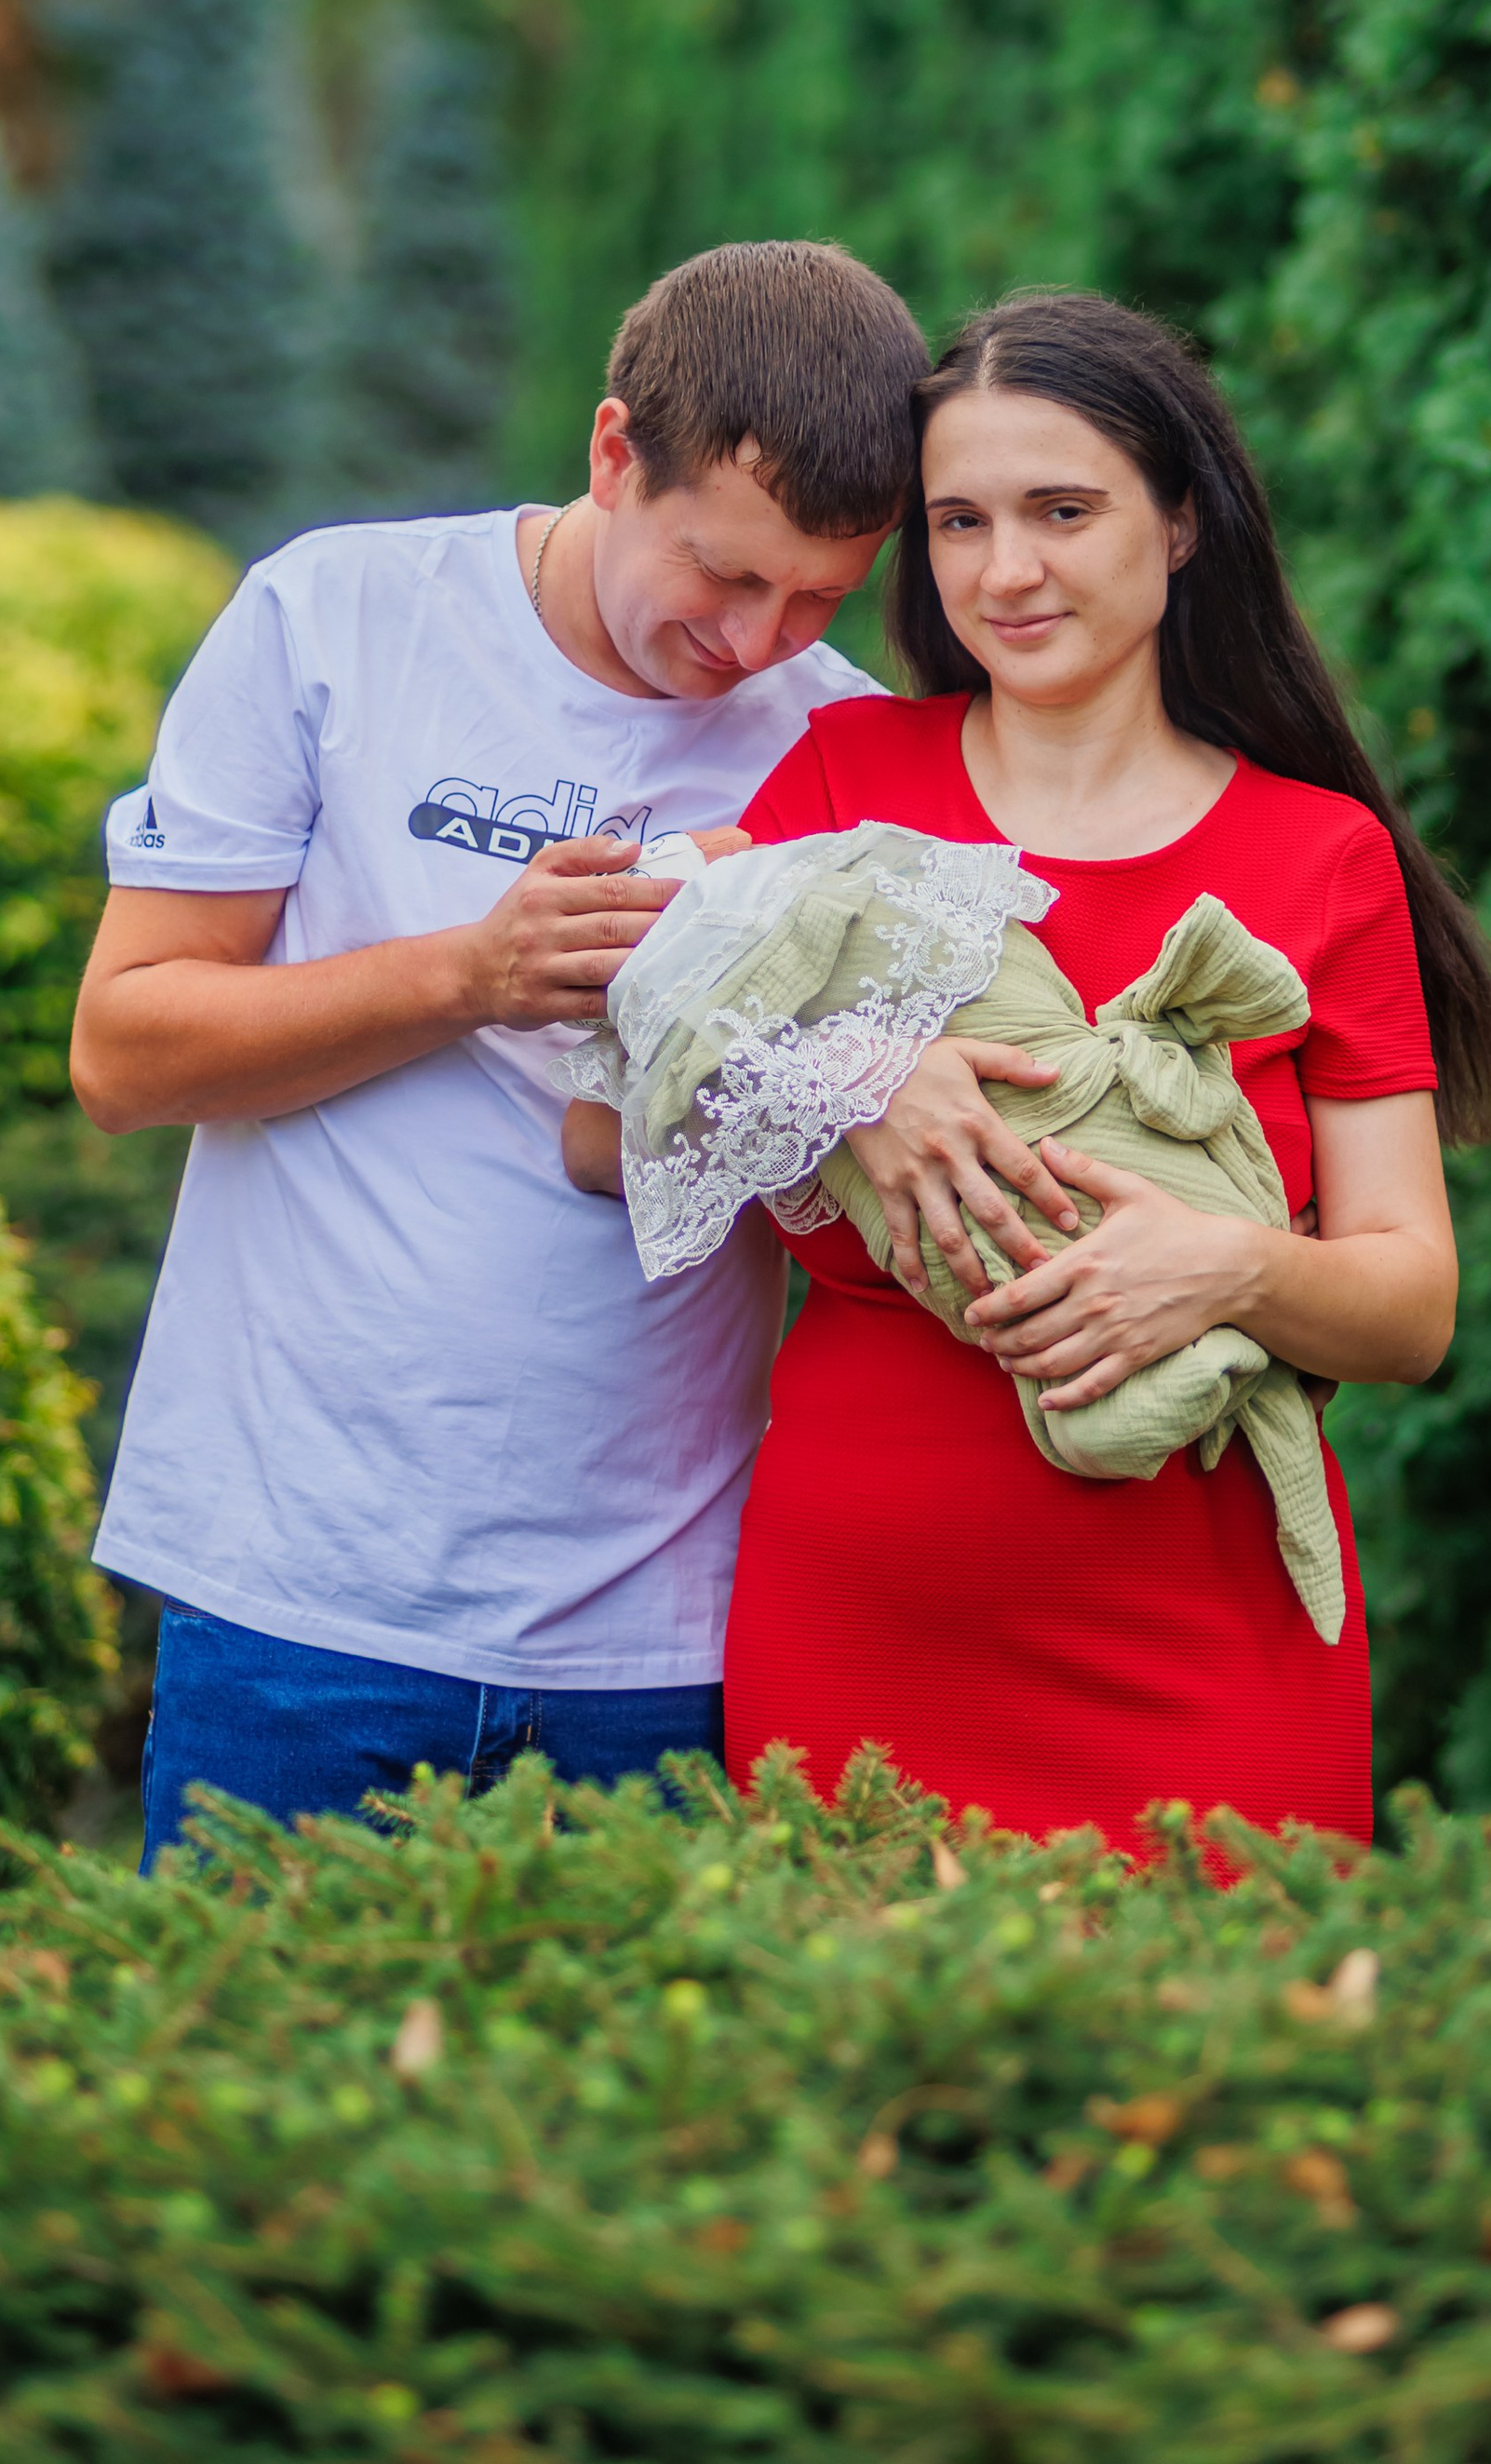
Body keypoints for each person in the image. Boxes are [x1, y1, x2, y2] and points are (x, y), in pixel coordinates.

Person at [69, 240, 928, 1864]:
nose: (759, 640)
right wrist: (473, 971)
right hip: (301, 1594)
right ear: (615, 454)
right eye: (723, 573)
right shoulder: (334, 618)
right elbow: (125, 1049)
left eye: (819, 591)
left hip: (665, 1634)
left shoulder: (844, 741)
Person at [698, 289, 1491, 1851]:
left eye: (1063, 510)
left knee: (1237, 2085)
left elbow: (1412, 1303)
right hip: (856, 1638)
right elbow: (598, 1128)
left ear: (1179, 525)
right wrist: (853, 1077)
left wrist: (1226, 1270)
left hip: (1207, 1652)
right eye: (958, 521)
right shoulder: (842, 785)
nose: (1005, 570)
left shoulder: (1322, 858)